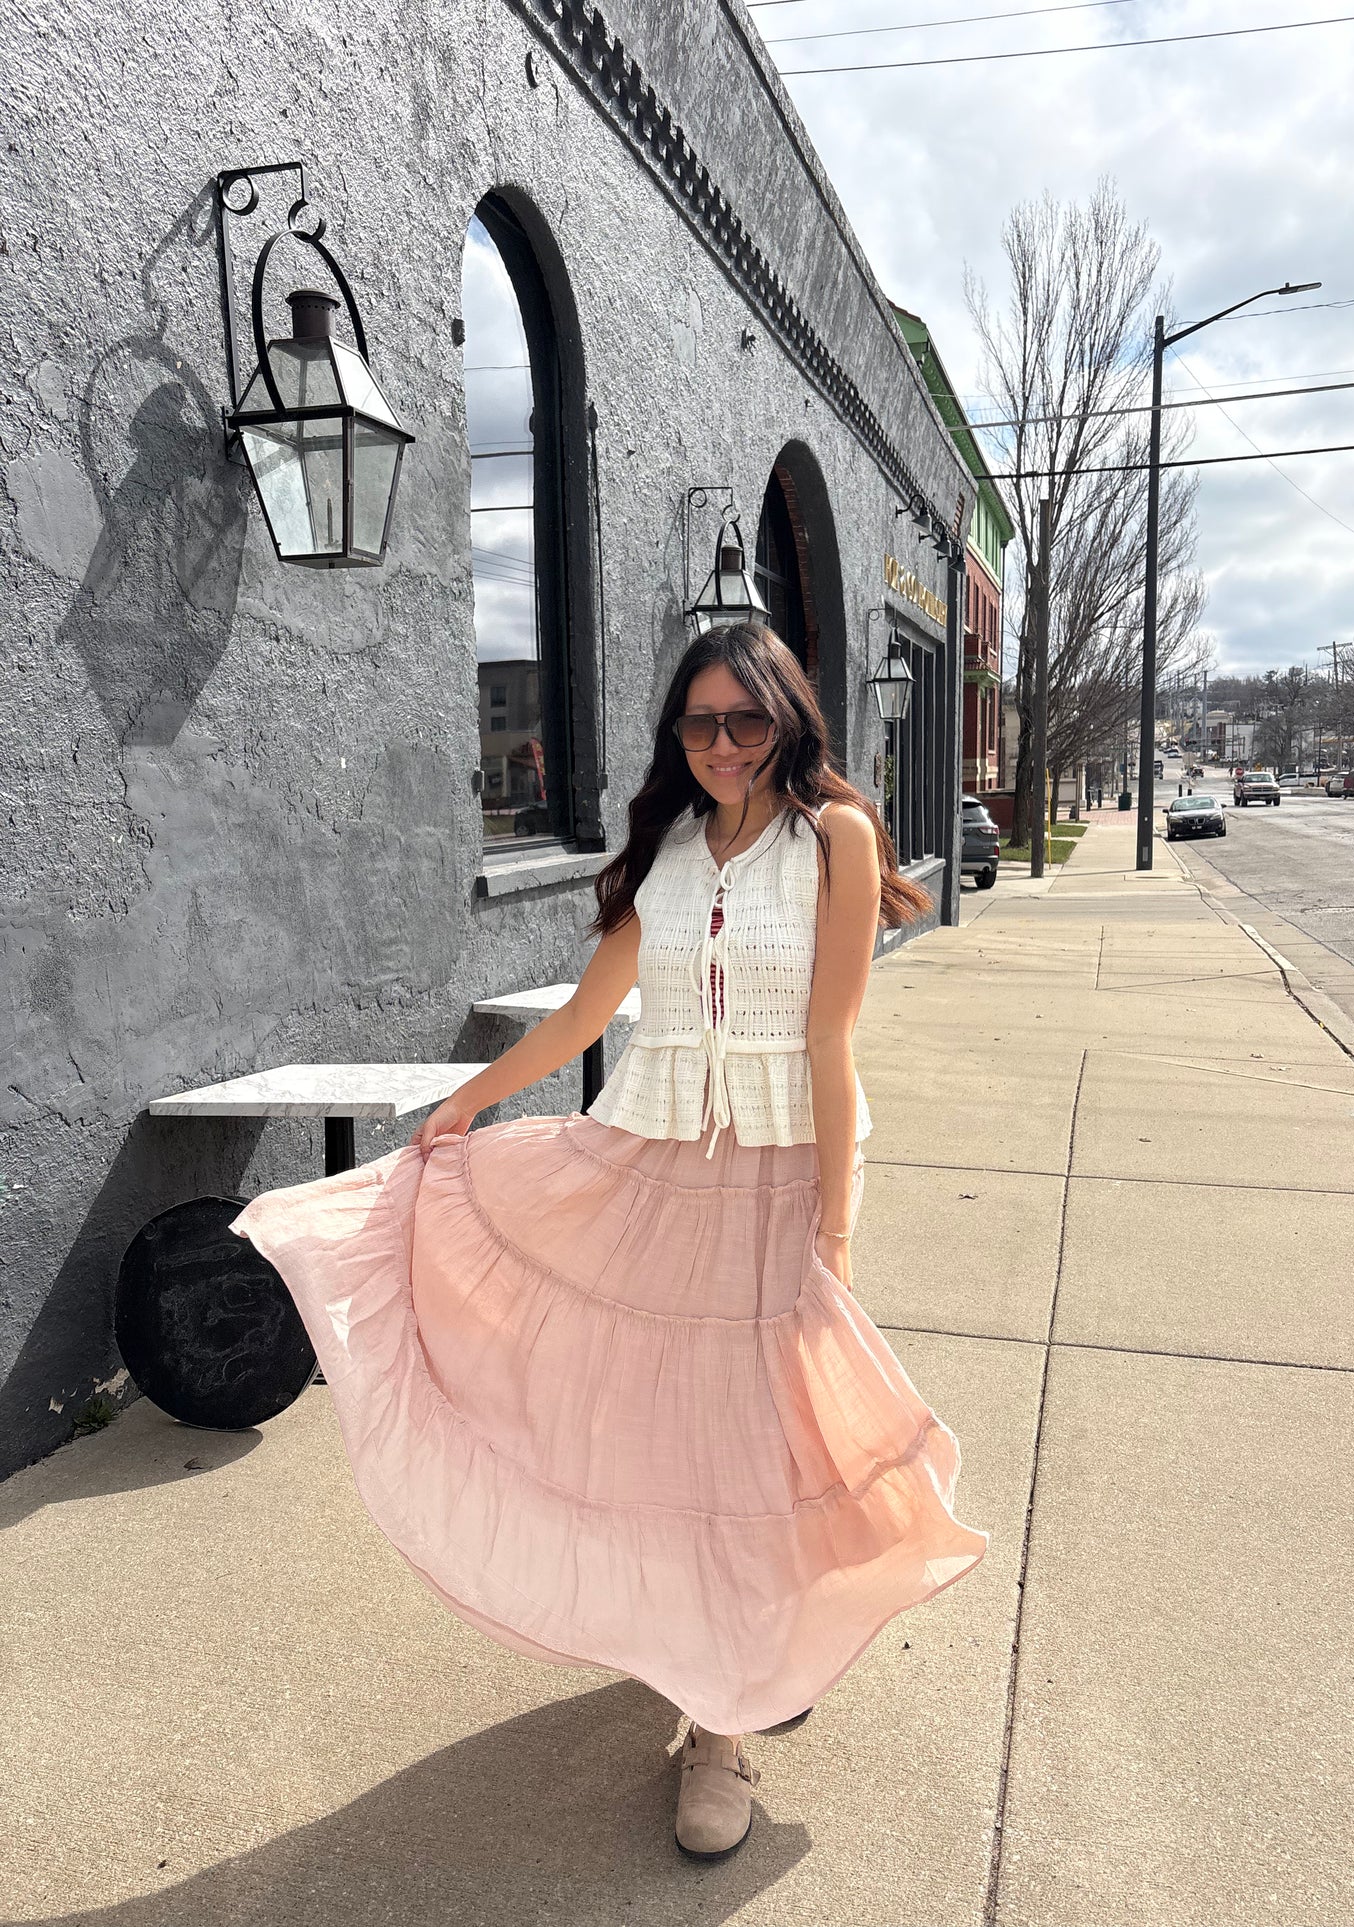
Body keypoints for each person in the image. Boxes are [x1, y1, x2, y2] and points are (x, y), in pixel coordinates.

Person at [229, 620, 988, 1861]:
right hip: (645, 1165)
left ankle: (728, 1703)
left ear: (789, 721)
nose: (724, 744)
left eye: (747, 720)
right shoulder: (671, 853)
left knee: (760, 1444)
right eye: (699, 722)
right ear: (672, 734)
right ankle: (718, 1698)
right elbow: (592, 1008)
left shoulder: (833, 840)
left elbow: (829, 1043)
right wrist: (471, 1100)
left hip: (777, 1177)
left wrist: (833, 1229)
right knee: (670, 1440)